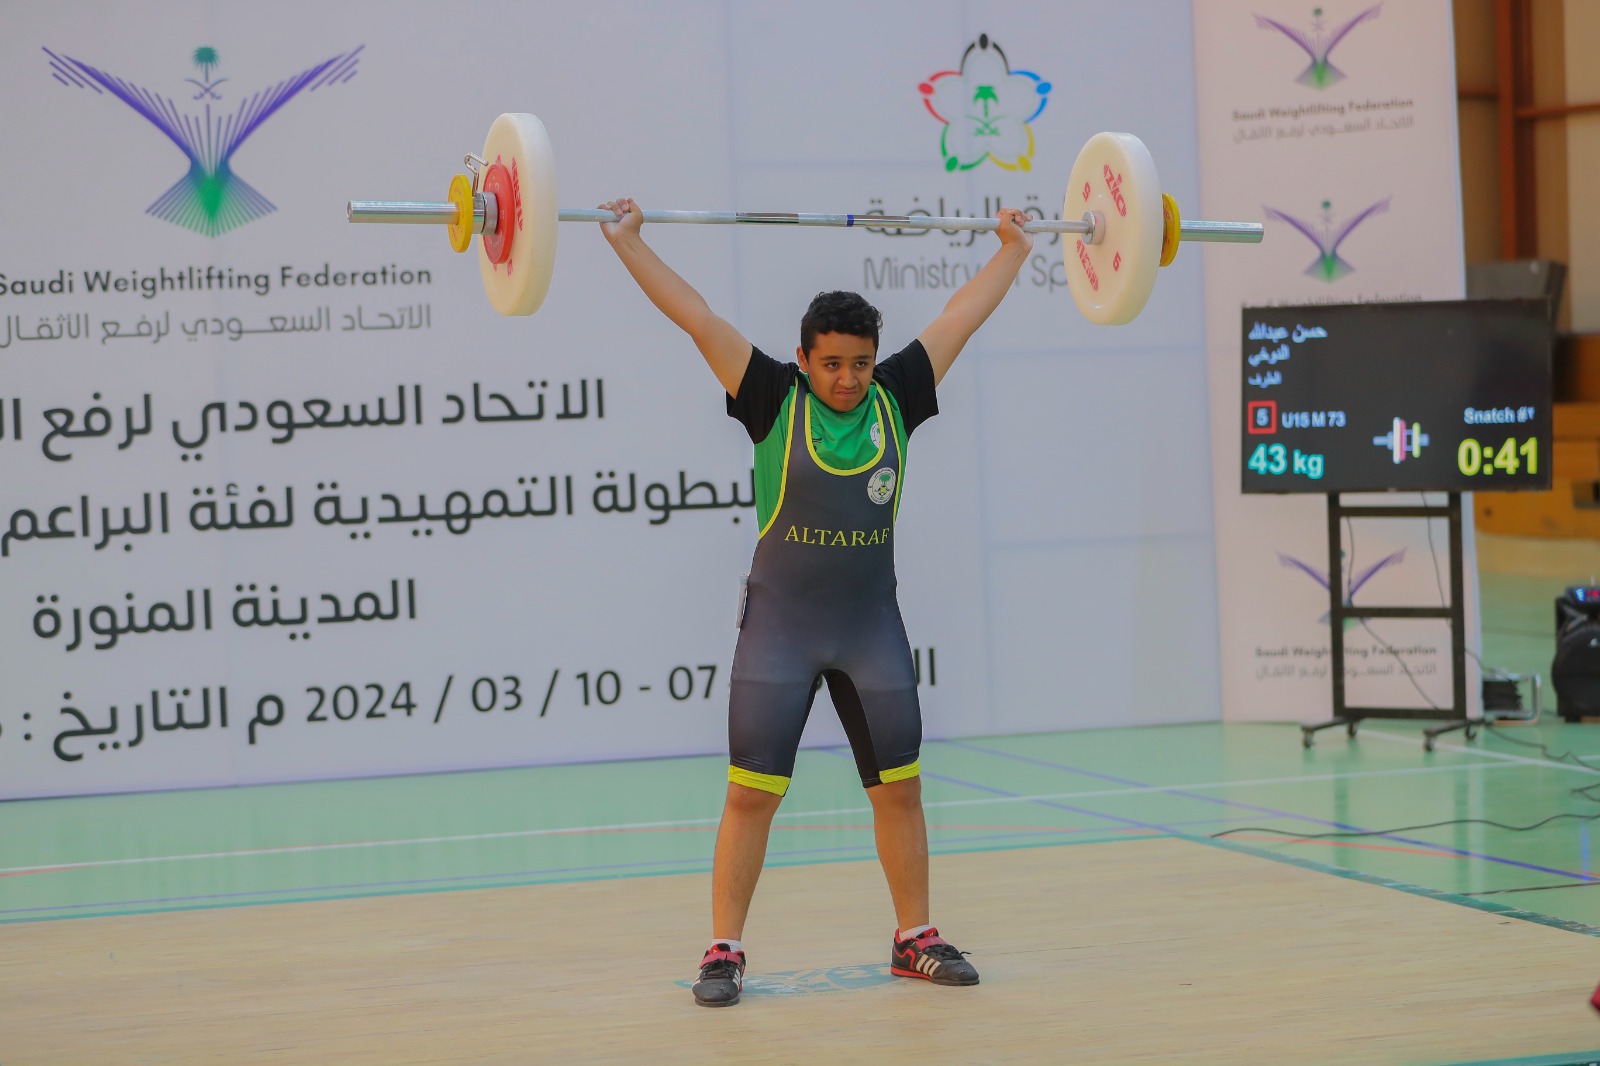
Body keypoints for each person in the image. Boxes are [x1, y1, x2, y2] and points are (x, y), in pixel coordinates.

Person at [598, 197, 1033, 1008]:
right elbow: (695, 317)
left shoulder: (897, 395)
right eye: (832, 363)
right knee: (750, 794)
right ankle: (723, 951)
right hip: (782, 633)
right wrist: (629, 243)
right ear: (804, 359)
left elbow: (959, 317)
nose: (847, 379)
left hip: (870, 630)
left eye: (860, 363)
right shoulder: (772, 395)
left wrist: (1012, 249)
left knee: (899, 788)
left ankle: (914, 939)